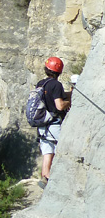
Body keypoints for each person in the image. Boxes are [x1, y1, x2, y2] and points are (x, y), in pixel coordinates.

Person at [36, 56, 71, 188]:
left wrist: (68, 94)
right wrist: (70, 102)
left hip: (42, 124)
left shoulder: (41, 83)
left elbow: (49, 96)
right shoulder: (56, 85)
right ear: (59, 71)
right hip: (54, 124)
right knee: (62, 150)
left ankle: (45, 178)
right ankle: (59, 181)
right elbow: (60, 105)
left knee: (47, 152)